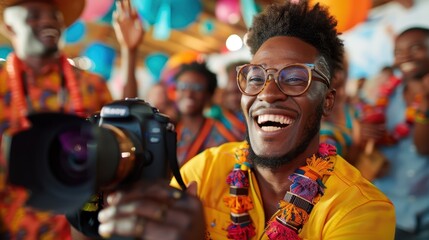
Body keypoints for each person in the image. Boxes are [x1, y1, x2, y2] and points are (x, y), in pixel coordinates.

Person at [93, 1, 395, 240]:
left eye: (294, 79)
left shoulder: (360, 209)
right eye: (256, 77)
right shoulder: (206, 170)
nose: (268, 92)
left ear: (327, 100)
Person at [0, 0, 141, 238]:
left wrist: (130, 51)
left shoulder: (90, 85)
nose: (48, 21)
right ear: (9, 25)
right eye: (34, 15)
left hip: (78, 226)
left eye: (55, 16)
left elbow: (124, 128)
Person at [367, 27, 429, 239]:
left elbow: (423, 148)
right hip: (386, 208)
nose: (405, 56)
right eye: (398, 51)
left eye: (416, 48)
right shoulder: (385, 96)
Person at [174, 61, 238, 166]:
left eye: (197, 88)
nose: (189, 94)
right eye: (183, 86)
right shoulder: (169, 128)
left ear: (209, 95)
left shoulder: (222, 136)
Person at [206, 60, 248, 140]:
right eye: (229, 93)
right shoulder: (215, 115)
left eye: (239, 92)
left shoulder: (253, 116)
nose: (234, 98)